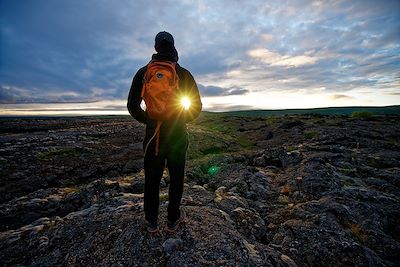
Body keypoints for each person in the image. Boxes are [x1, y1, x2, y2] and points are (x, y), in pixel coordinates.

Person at [127, 31, 202, 234]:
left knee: (152, 179)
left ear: (156, 47)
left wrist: (150, 120)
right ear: (173, 46)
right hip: (177, 136)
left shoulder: (144, 72)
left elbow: (132, 106)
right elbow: (196, 108)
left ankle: (151, 221)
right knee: (176, 179)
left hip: (154, 137)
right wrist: (178, 120)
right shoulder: (184, 73)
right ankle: (173, 220)